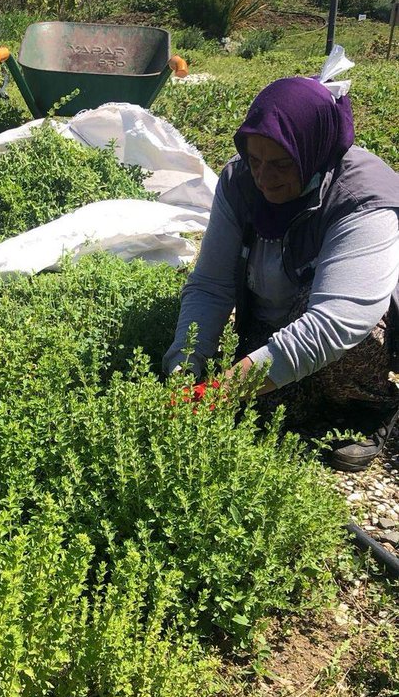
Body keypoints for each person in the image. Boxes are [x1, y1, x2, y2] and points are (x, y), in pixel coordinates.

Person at [164, 74, 399, 471]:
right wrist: (186, 366)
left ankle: (369, 407)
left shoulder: (363, 197)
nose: (263, 177)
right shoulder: (240, 180)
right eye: (254, 160)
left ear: (312, 149)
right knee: (266, 409)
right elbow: (211, 284)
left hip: (350, 330)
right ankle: (303, 394)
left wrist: (221, 392)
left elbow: (334, 324)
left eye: (280, 164)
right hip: (276, 320)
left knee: (332, 363)